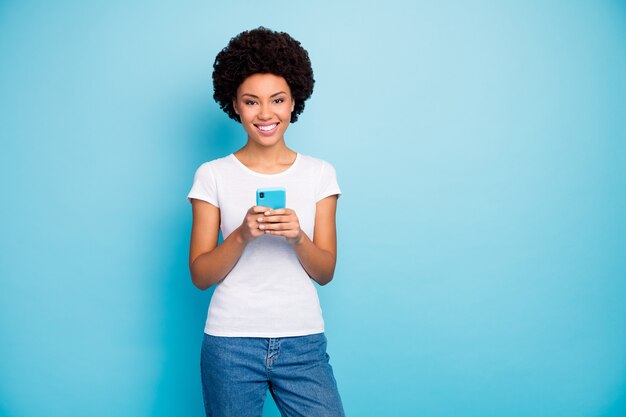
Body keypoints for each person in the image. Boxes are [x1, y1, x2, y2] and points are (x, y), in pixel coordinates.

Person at [187, 27, 346, 417]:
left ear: (294, 102)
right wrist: (241, 235)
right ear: (235, 106)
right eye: (251, 102)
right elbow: (201, 274)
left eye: (277, 100)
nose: (265, 114)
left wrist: (297, 237)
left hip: (303, 342)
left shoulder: (320, 174)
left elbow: (324, 271)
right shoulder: (213, 175)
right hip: (230, 344)